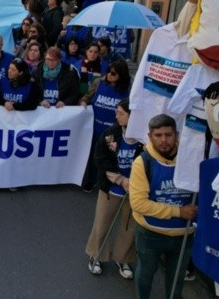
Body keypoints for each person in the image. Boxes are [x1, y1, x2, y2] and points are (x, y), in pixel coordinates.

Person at [130, 114, 197, 299]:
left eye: (168, 135)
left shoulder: (190, 160)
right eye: (158, 135)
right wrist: (178, 212)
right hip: (150, 234)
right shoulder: (142, 162)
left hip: (184, 234)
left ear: (176, 135)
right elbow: (138, 203)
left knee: (176, 282)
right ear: (150, 137)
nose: (164, 140)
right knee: (146, 275)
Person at [85, 100, 142, 279]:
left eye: (121, 113)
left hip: (134, 191)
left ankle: (123, 258)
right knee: (102, 223)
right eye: (117, 112)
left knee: (129, 226)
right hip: (111, 189)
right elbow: (100, 158)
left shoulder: (144, 140)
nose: (116, 116)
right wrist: (120, 179)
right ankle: (97, 254)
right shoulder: (111, 134)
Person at [81, 59, 133, 191]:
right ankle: (90, 181)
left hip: (112, 133)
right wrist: (84, 101)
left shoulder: (127, 92)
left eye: (114, 73)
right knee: (93, 156)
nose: (109, 75)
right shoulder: (99, 83)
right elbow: (87, 96)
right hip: (94, 129)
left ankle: (106, 183)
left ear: (121, 75)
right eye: (108, 71)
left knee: (109, 158)